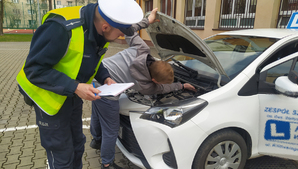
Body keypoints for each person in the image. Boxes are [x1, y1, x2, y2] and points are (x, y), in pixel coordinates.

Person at [15, 0, 144, 168]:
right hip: (48, 98)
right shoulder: (61, 29)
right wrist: (75, 87)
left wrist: (105, 77)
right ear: (105, 27)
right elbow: (33, 69)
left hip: (71, 95)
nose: (121, 37)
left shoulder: (98, 26)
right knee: (62, 155)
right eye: (120, 33)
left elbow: (90, 57)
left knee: (78, 145)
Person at [89, 8, 196, 169]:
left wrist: (148, 21)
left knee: (97, 111)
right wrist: (181, 86)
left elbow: (129, 31)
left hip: (96, 74)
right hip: (108, 90)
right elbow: (161, 90)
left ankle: (96, 139)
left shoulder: (143, 49)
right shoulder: (146, 85)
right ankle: (107, 163)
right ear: (154, 79)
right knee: (111, 130)